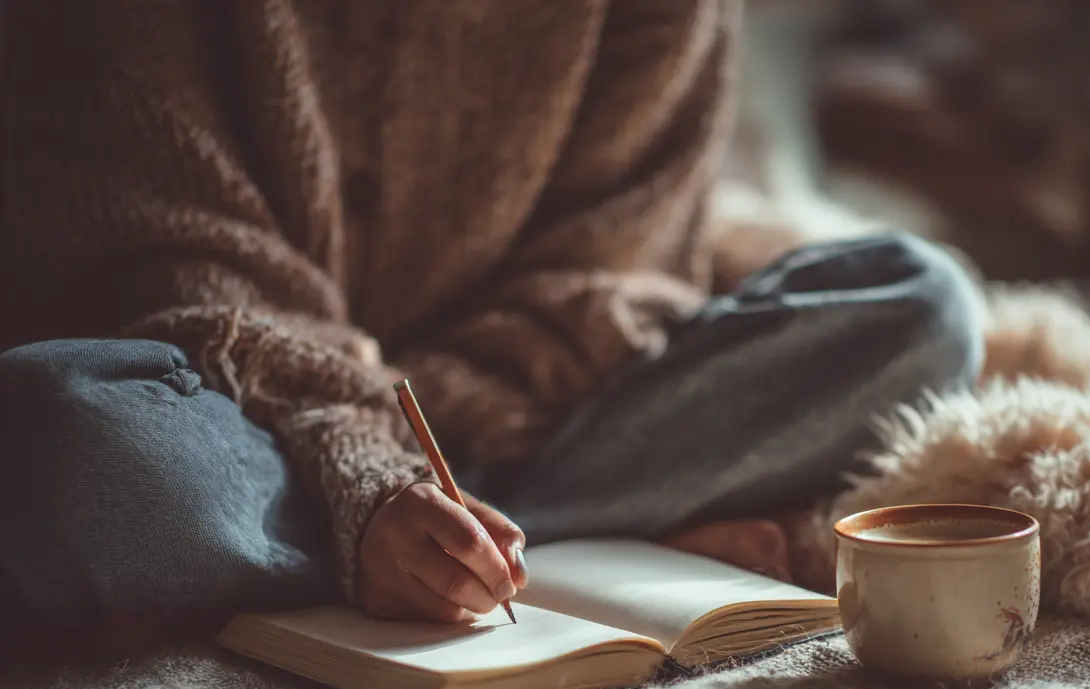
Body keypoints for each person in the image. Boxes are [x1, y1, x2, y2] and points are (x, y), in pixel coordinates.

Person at [0, 0, 983, 636]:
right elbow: (182, 259)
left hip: (532, 413)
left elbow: (609, 279)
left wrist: (414, 468)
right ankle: (572, 539)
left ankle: (419, 548)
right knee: (55, 425)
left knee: (917, 305)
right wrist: (365, 481)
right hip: (244, 413)